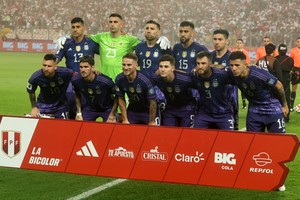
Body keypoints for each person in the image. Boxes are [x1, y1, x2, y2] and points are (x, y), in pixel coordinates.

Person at [229, 51, 288, 133]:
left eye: (237, 65)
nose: (234, 68)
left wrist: (284, 105)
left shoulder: (259, 74)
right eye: (231, 65)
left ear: (245, 64)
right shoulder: (232, 74)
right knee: (252, 142)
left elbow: (279, 85)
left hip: (272, 109)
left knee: (278, 141)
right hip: (254, 111)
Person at [55, 17, 100, 119]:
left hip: (87, 82)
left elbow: (106, 55)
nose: (75, 29)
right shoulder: (66, 43)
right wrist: (52, 65)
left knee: (86, 111)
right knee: (70, 108)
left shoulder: (91, 43)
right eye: (73, 27)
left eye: (78, 27)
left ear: (83, 28)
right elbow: (57, 58)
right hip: (71, 81)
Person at [191, 51, 234, 130]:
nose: (200, 66)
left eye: (203, 63)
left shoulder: (222, 75)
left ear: (210, 64)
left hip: (223, 113)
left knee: (229, 139)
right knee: (195, 138)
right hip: (204, 114)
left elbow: (238, 79)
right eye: (198, 63)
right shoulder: (194, 75)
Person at [151, 54, 196, 127]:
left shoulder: (185, 79)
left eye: (166, 67)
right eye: (161, 66)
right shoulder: (156, 78)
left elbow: (200, 86)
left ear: (173, 68)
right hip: (170, 109)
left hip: (186, 109)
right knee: (169, 134)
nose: (162, 69)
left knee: (186, 135)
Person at [71, 55, 117, 122]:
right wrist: (78, 113)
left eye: (86, 67)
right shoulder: (76, 80)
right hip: (90, 109)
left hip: (107, 109)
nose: (83, 70)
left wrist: (112, 114)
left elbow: (118, 96)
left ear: (92, 68)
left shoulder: (105, 81)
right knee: (80, 125)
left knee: (110, 128)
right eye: (81, 67)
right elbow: (77, 94)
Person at [115, 53, 158, 125]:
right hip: (133, 110)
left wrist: (152, 121)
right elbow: (121, 98)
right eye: (123, 65)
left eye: (129, 65)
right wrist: (125, 119)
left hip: (148, 111)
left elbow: (153, 102)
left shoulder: (145, 80)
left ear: (136, 65)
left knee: (152, 134)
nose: (125, 68)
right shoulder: (119, 79)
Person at [26, 54, 73, 119]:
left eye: (49, 66)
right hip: (43, 106)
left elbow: (77, 78)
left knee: (64, 125)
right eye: (44, 65)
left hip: (61, 106)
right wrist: (34, 107)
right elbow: (31, 91)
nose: (46, 69)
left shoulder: (65, 73)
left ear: (55, 67)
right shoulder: (36, 77)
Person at [211, 29, 239, 130]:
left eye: (220, 39)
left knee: (228, 138)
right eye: (215, 39)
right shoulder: (209, 57)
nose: (217, 42)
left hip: (228, 103)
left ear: (227, 41)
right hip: (210, 103)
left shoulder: (232, 58)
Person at [275, 44, 294, 122]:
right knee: (286, 99)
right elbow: (290, 68)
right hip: (286, 82)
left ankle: (276, 115)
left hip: (276, 81)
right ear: (286, 50)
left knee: (276, 98)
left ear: (278, 50)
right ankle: (286, 116)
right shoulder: (290, 59)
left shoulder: (275, 59)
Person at [232, 38, 250, 109]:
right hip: (235, 73)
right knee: (234, 89)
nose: (239, 44)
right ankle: (234, 102)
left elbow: (247, 63)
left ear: (243, 44)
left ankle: (244, 102)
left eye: (240, 43)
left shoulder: (245, 52)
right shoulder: (233, 52)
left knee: (243, 89)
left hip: (242, 74)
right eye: (237, 43)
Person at [289, 37, 300, 111]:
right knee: (294, 88)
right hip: (295, 69)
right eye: (298, 41)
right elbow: (290, 61)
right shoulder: (293, 51)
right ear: (296, 42)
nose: (299, 43)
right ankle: (291, 106)